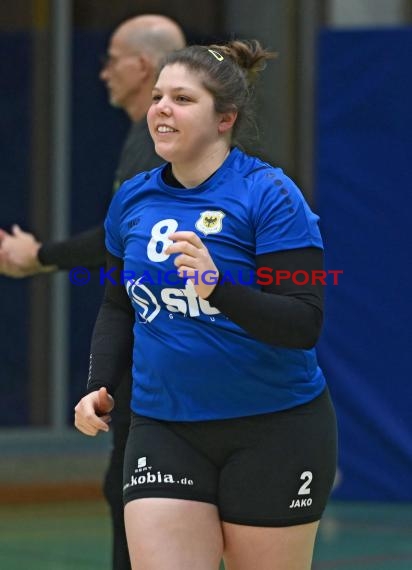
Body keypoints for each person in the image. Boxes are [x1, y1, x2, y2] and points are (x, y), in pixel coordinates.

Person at [74, 39, 338, 570]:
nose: (162, 108)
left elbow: (302, 322)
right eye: (157, 96)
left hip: (273, 427)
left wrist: (217, 287)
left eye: (182, 98)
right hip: (163, 425)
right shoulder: (134, 198)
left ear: (225, 119)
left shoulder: (271, 194)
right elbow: (117, 304)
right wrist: (98, 384)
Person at [0, 14, 186, 570]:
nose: (102, 71)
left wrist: (38, 257)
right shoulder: (141, 141)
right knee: (127, 487)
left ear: (142, 65)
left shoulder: (164, 148)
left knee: (144, 491)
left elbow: (117, 240)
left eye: (111, 58)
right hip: (143, 348)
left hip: (170, 353)